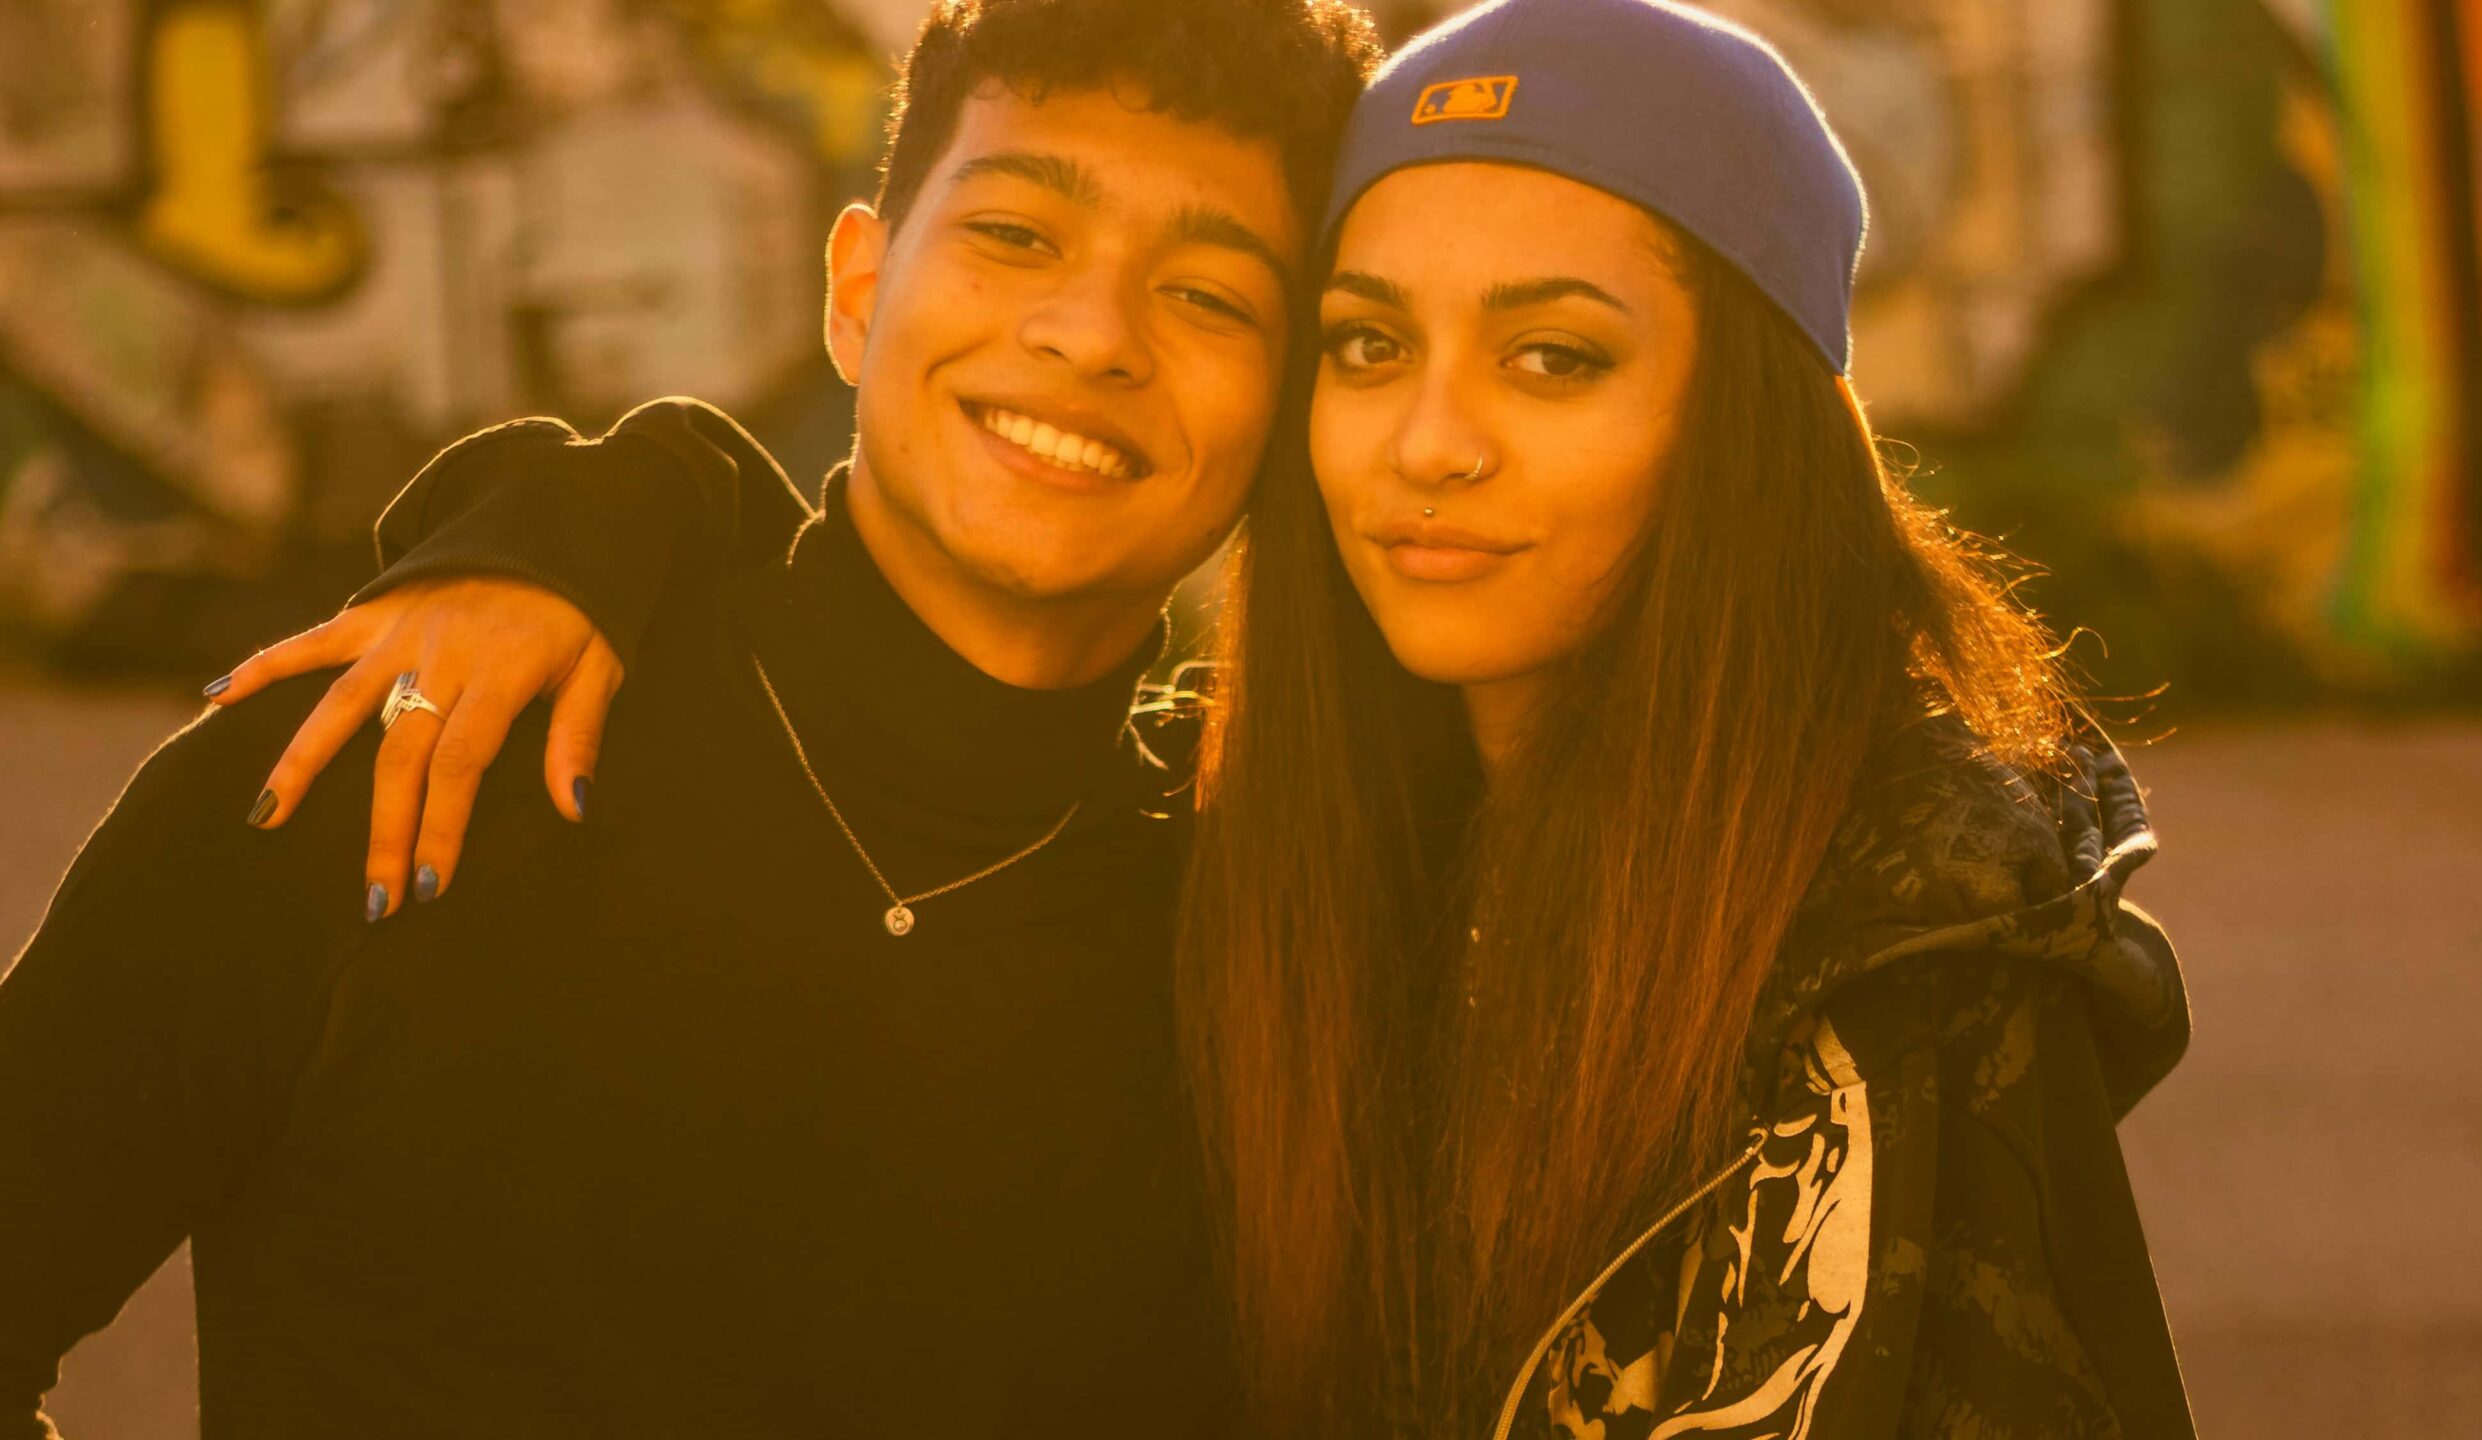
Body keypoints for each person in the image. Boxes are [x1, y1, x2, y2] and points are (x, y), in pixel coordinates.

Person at [198, 1, 2202, 1436]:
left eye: (1554, 357)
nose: (1427, 444)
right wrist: (595, 506)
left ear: (1740, 433)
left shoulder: (1896, 974)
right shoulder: (1253, 871)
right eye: (1360, 343)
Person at [0, 2, 1378, 1435]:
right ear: (856, 291)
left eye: (1212, 297)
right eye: (1017, 234)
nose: (1093, 334)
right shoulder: (416, 745)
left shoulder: (1274, 953)